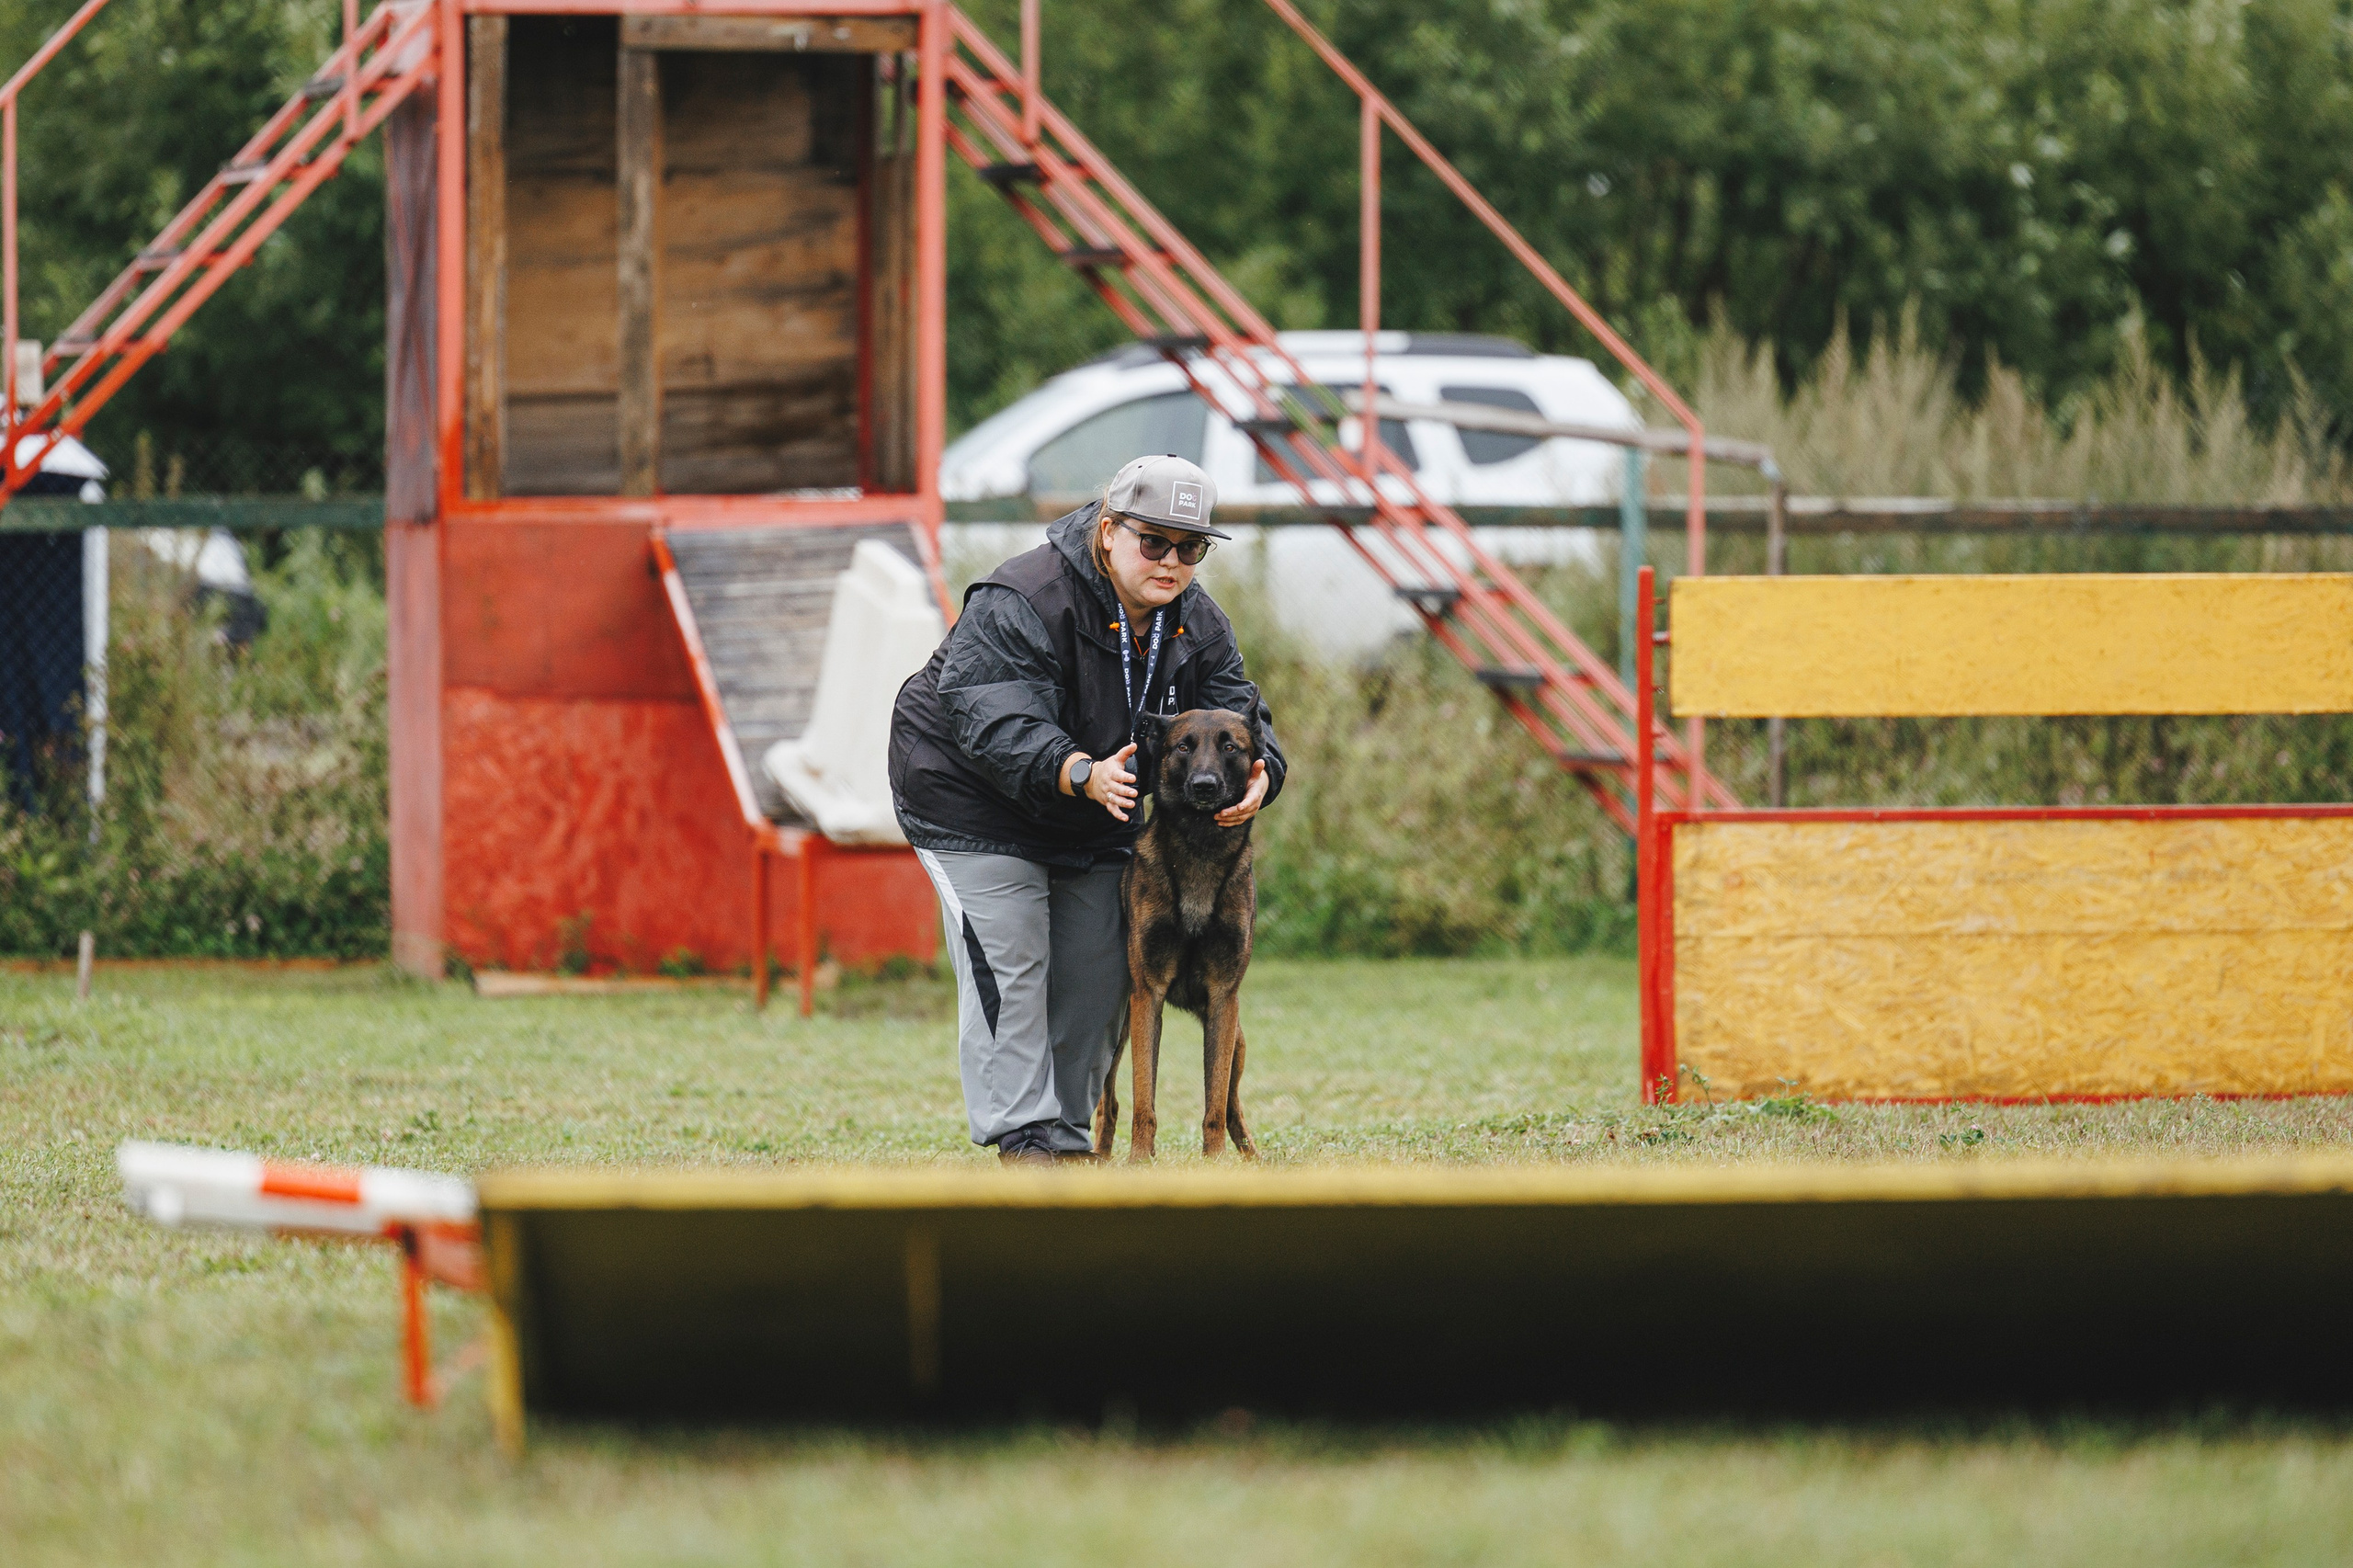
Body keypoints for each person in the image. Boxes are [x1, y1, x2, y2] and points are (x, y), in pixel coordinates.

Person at [889, 453, 1287, 1163]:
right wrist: (1077, 770)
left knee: (1103, 968)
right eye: (1152, 541)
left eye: (1190, 547)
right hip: (972, 800)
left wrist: (1266, 772)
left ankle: (1066, 1138)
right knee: (1010, 961)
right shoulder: (1026, 596)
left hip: (1096, 805)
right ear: (1108, 531)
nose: (1170, 561)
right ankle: (1025, 1138)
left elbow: (1240, 707)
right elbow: (992, 716)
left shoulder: (1195, 620)